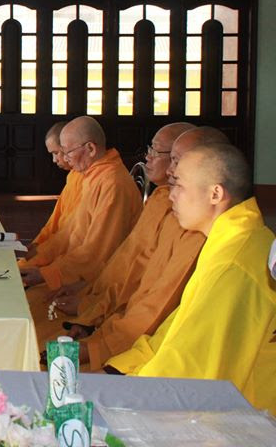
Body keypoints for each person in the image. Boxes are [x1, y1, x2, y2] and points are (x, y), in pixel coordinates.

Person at [106, 144, 276, 414]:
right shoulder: (235, 238)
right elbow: (175, 329)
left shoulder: (233, 264)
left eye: (178, 185)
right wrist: (123, 369)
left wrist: (124, 394)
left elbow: (188, 366)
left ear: (215, 194)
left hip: (250, 418)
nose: (171, 195)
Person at [56, 124, 224, 370]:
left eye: (175, 161)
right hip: (110, 316)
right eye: (151, 150)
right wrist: (90, 308)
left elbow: (157, 305)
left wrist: (97, 343)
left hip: (133, 344)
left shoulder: (196, 229)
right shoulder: (161, 199)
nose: (171, 171)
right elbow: (128, 267)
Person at [20, 116, 142, 291]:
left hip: (97, 282)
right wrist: (38, 255)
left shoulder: (113, 184)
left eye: (67, 152)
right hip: (72, 267)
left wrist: (47, 274)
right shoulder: (92, 177)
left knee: (25, 301)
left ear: (90, 149)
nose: (64, 158)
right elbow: (67, 233)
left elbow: (98, 252)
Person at [21, 122, 82, 261]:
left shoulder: (104, 181)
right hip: (59, 248)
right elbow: (56, 221)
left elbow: (77, 232)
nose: (55, 160)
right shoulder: (74, 175)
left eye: (56, 153)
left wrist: (44, 253)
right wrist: (38, 243)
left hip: (71, 257)